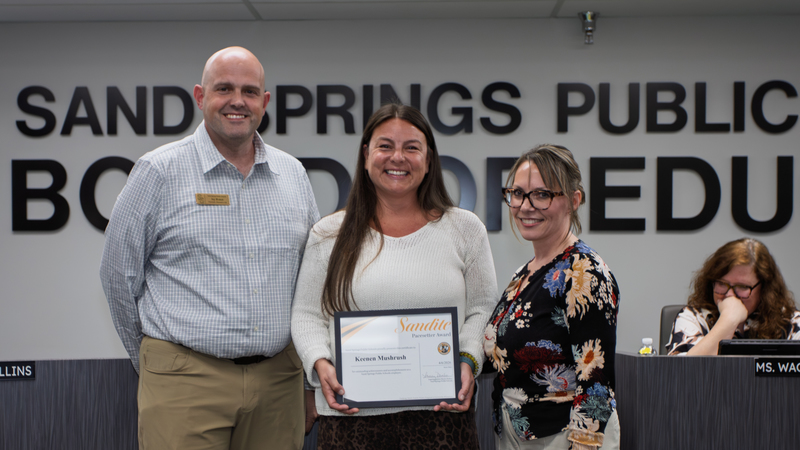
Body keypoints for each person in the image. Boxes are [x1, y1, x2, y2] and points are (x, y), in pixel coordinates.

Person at [100, 46, 320, 450]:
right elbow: (117, 276)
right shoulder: (158, 171)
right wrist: (156, 363)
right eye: (225, 89)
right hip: (185, 382)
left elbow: (310, 282)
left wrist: (306, 382)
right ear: (201, 97)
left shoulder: (293, 174)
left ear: (265, 102)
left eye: (250, 91)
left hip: (278, 383)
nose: (238, 101)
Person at [290, 103, 498, 449]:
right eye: (385, 145)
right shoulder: (328, 234)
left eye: (411, 147)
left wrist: (467, 360)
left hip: (441, 416)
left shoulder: (465, 229)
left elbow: (482, 307)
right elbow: (307, 314)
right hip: (351, 419)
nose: (397, 157)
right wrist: (320, 363)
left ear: (428, 159)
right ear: (366, 153)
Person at [483, 145, 620, 450]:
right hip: (517, 435)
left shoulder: (585, 273)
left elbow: (595, 381)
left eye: (542, 194)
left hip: (564, 438)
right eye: (517, 193)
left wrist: (583, 445)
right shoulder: (525, 273)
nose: (525, 206)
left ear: (574, 200)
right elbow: (498, 358)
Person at [667, 238, 800, 355]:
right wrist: (729, 319)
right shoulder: (693, 317)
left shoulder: (791, 322)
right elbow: (682, 375)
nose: (729, 295)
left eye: (742, 287)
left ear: (764, 289)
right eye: (721, 283)